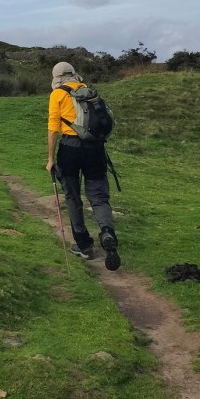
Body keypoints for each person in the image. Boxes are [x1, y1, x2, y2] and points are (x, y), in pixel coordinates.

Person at [46, 61, 120, 270]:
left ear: (57, 78)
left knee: (72, 196)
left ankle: (84, 245)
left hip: (70, 149)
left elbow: (53, 129)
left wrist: (50, 159)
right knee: (98, 196)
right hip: (95, 149)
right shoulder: (89, 91)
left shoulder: (58, 94)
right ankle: (107, 232)